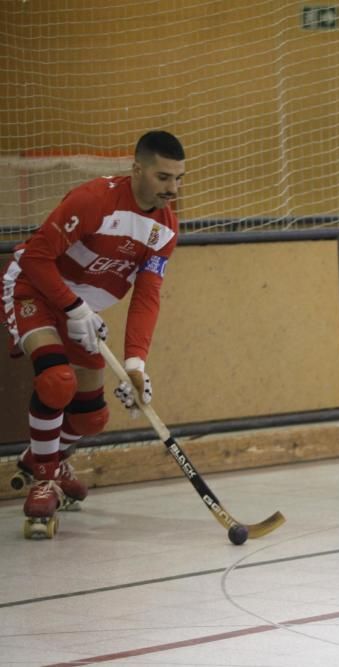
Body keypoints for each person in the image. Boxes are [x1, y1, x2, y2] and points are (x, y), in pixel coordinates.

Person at [2, 131, 185, 538]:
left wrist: (137, 362)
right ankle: (44, 478)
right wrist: (72, 306)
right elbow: (36, 257)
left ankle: (40, 456)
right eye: (163, 177)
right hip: (34, 288)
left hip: (81, 311)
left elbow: (147, 296)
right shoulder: (93, 200)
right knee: (56, 381)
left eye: (178, 179)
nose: (172, 189)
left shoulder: (166, 231)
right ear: (137, 169)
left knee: (92, 417)